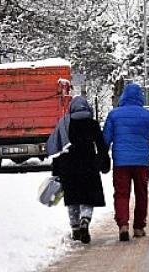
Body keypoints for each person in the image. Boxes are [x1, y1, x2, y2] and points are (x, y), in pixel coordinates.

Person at [103, 83, 149, 242]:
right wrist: (147, 154)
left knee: (121, 194)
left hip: (121, 163)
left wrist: (105, 155)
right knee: (141, 194)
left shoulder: (114, 115)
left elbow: (105, 140)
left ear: (123, 97)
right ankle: (138, 227)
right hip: (142, 163)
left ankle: (123, 225)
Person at [46, 96, 110, 245]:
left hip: (68, 167)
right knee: (88, 197)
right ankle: (85, 221)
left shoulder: (64, 124)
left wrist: (56, 170)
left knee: (72, 198)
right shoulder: (92, 124)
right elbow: (101, 145)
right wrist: (104, 162)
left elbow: (58, 148)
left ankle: (75, 228)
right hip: (89, 166)